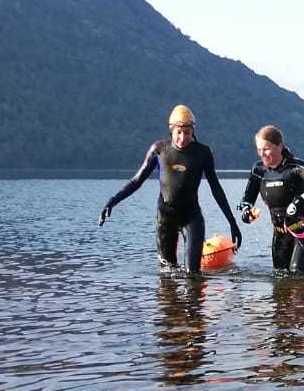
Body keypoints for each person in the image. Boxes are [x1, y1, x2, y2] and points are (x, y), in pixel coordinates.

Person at [98, 105, 240, 274]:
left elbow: (216, 188)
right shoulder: (159, 150)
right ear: (171, 131)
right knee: (167, 273)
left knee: (192, 274)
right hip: (165, 217)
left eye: (187, 132)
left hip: (191, 216)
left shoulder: (203, 153)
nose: (183, 137)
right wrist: (112, 201)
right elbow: (137, 181)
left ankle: (193, 300)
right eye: (178, 132)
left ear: (193, 131)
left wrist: (232, 222)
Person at [238, 125, 304, 273]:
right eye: (259, 149)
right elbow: (247, 198)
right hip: (281, 232)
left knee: (296, 271)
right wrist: (246, 211)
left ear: (279, 146)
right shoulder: (258, 169)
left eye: (266, 149)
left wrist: (297, 202)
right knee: (279, 274)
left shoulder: (296, 166)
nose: (262, 154)